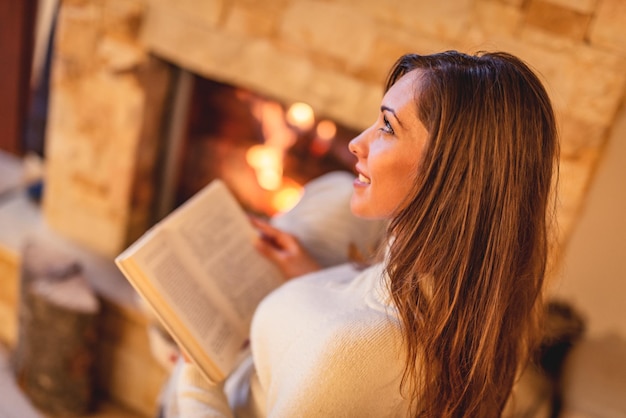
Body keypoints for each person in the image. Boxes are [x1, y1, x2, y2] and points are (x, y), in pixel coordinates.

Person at [163, 50, 559, 417]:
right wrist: (312, 276)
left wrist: (195, 374)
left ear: (453, 176)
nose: (356, 143)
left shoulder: (352, 355)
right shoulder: (451, 294)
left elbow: (350, 356)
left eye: (387, 127)